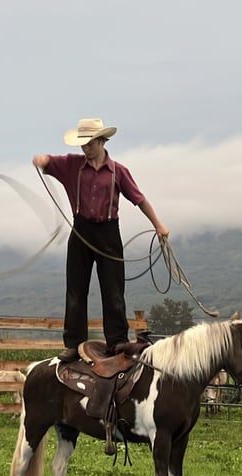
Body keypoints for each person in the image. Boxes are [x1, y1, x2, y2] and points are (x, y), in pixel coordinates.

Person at [33, 118, 169, 362]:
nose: (85, 148)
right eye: (82, 144)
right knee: (76, 289)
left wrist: (158, 225)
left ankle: (117, 341)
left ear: (102, 141)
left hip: (108, 232)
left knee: (113, 289)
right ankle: (74, 344)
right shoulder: (71, 165)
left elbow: (139, 199)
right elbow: (47, 162)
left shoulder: (118, 171)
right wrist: (41, 160)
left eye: (90, 143)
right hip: (81, 230)